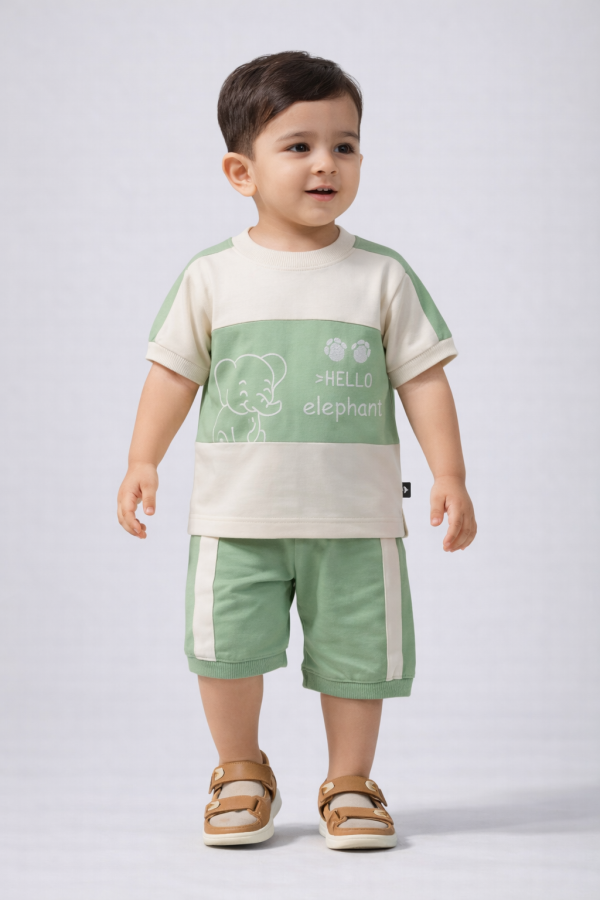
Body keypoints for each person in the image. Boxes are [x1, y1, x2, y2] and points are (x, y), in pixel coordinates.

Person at [117, 50, 477, 851]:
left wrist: (448, 473)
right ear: (240, 171)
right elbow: (171, 375)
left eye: (345, 146)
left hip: (356, 518)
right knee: (225, 652)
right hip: (235, 515)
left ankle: (350, 781)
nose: (326, 164)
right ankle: (240, 770)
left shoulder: (381, 276)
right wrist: (143, 461)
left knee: (357, 658)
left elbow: (424, 380)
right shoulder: (212, 277)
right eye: (299, 146)